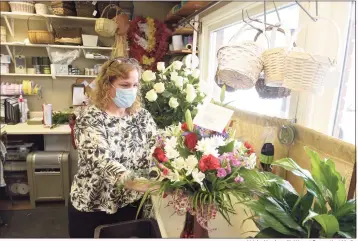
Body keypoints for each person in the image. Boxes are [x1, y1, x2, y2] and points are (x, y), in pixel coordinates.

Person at [68, 58, 158, 238]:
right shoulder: (90, 119)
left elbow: (157, 147)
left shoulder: (141, 116)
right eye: (125, 85)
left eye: (135, 85)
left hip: (131, 203)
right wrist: (145, 185)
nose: (131, 90)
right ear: (107, 86)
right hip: (93, 205)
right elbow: (102, 162)